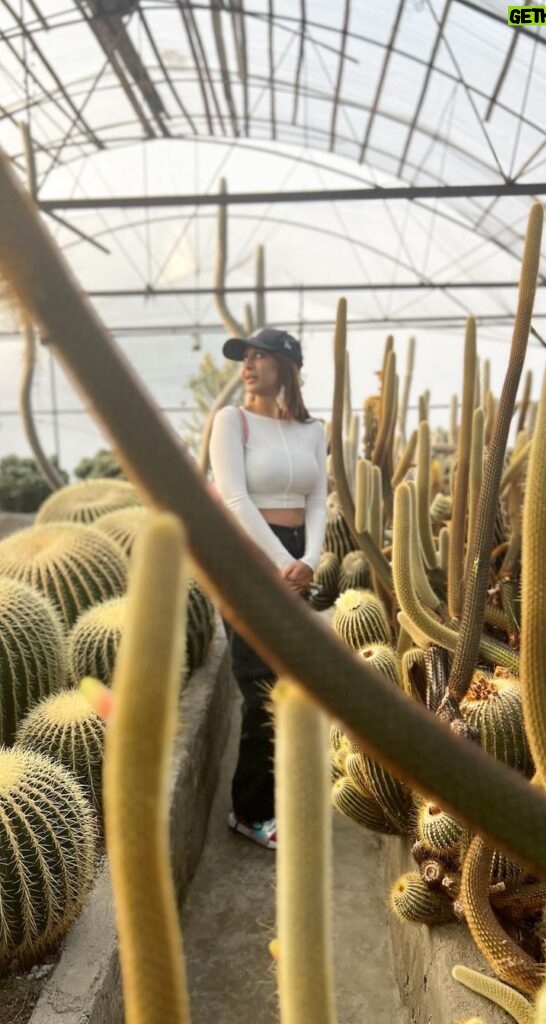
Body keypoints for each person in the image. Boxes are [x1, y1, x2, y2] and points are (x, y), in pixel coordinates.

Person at [209, 326, 328, 850]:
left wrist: (311, 559)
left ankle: (281, 801)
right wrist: (284, 563)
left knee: (293, 687)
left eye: (261, 356)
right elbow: (234, 498)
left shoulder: (312, 431)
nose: (249, 364)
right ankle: (249, 813)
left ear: (286, 366)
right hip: (250, 559)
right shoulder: (231, 421)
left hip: (297, 557)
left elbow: (320, 499)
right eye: (245, 357)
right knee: (259, 688)